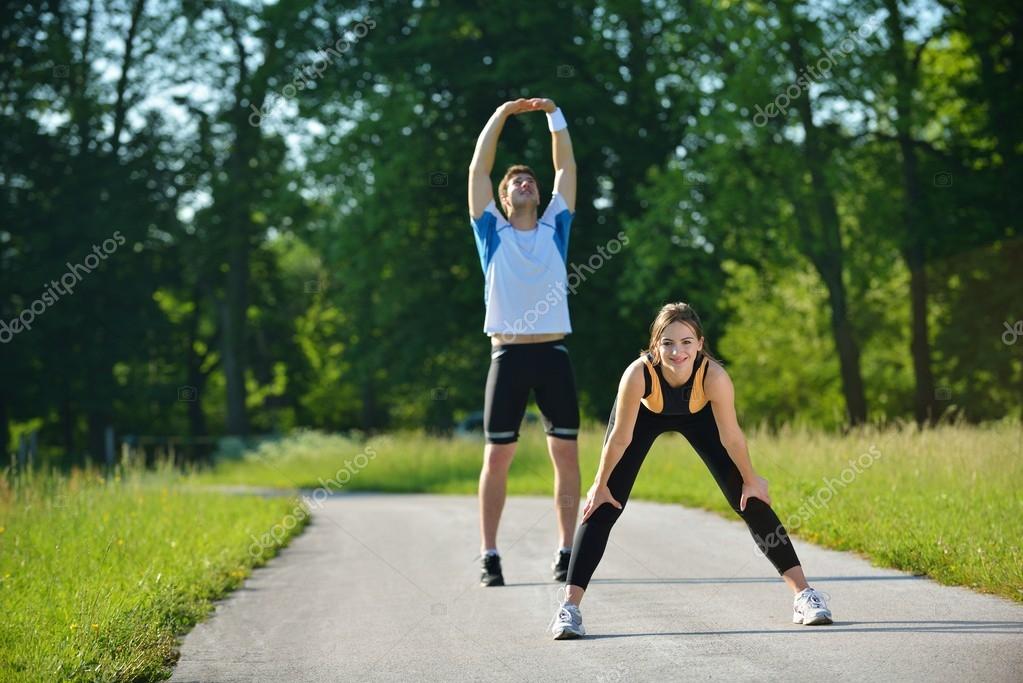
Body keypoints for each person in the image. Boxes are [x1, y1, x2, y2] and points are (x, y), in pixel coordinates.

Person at [549, 302, 833, 638]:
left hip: (699, 417)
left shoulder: (714, 377)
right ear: (655, 346)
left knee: (749, 497)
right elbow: (620, 437)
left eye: (686, 342)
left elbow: (731, 437)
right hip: (645, 416)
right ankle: (569, 608)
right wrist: (599, 483)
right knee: (603, 503)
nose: (677, 350)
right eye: (667, 342)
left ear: (699, 343)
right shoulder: (638, 374)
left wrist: (751, 479)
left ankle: (804, 594)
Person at [468, 98, 580, 586]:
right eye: (516, 181)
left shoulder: (557, 224)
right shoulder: (490, 230)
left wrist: (555, 114)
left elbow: (566, 165)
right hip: (508, 354)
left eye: (530, 179)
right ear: (503, 195)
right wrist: (504, 114)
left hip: (553, 354)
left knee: (567, 455)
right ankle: (490, 555)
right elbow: (478, 165)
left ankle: (567, 550)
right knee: (496, 456)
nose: (526, 182)